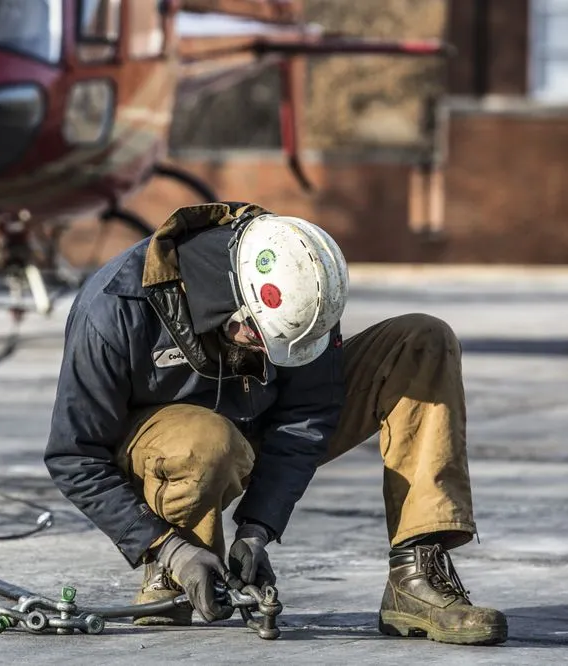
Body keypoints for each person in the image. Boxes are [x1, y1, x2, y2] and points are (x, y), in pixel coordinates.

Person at [44, 202, 507, 646]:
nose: (271, 357)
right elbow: (75, 455)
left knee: (422, 341)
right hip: (178, 450)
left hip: (255, 425)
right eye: (263, 342)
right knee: (208, 441)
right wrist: (167, 547)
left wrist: (256, 530)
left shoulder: (297, 278)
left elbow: (309, 412)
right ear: (234, 305)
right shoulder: (115, 309)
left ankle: (415, 576)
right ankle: (174, 565)